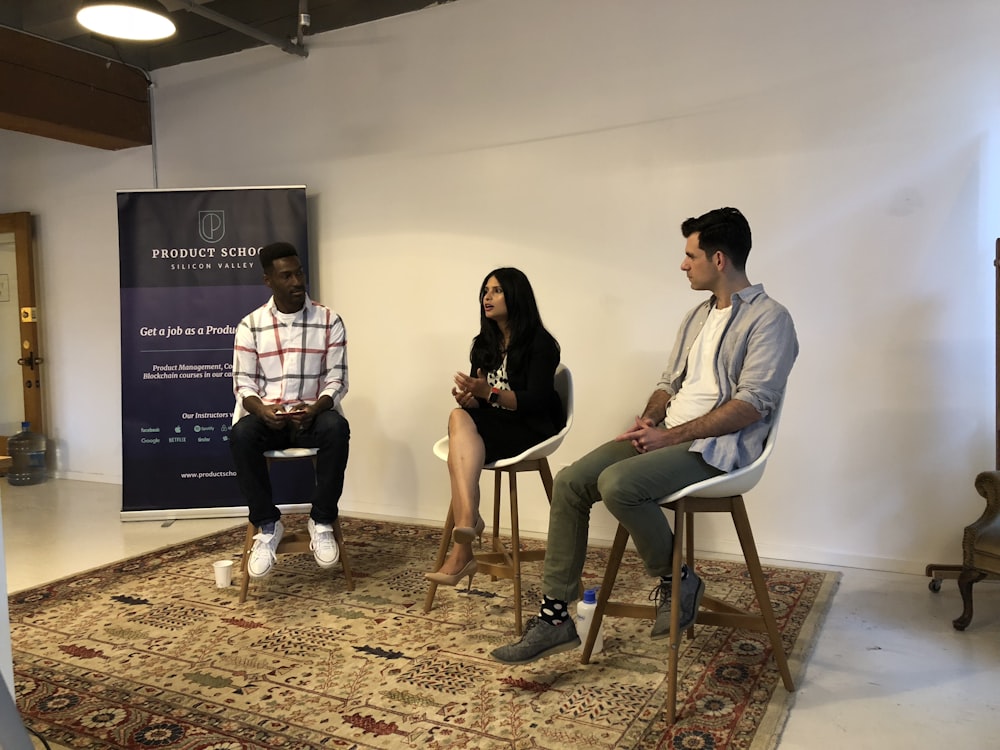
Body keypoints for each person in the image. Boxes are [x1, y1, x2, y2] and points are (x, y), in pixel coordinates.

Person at [491, 207, 798, 664]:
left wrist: (672, 438)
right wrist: (651, 419)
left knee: (620, 485)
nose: (682, 264)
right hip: (670, 433)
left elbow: (752, 404)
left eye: (689, 255)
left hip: (718, 450)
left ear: (718, 259)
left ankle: (676, 580)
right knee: (573, 481)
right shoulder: (697, 316)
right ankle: (555, 618)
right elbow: (668, 383)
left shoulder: (771, 319)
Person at [425, 267, 565, 588]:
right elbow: (487, 401)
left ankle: (465, 540)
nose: (488, 297)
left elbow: (538, 401)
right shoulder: (484, 343)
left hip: (532, 427)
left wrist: (488, 393)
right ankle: (467, 525)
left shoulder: (540, 344)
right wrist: (473, 399)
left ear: (516, 296)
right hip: (501, 423)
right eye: (485, 291)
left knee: (458, 439)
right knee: (458, 416)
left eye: (497, 290)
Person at [229, 241, 350, 579]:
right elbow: (243, 385)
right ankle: (267, 526)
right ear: (269, 280)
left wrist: (317, 407)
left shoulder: (329, 320)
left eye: (299, 273)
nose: (297, 282)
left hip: (313, 415)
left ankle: (322, 521)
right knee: (241, 434)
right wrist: (262, 410)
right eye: (287, 276)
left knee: (336, 429)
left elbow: (337, 379)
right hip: (270, 418)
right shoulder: (250, 326)